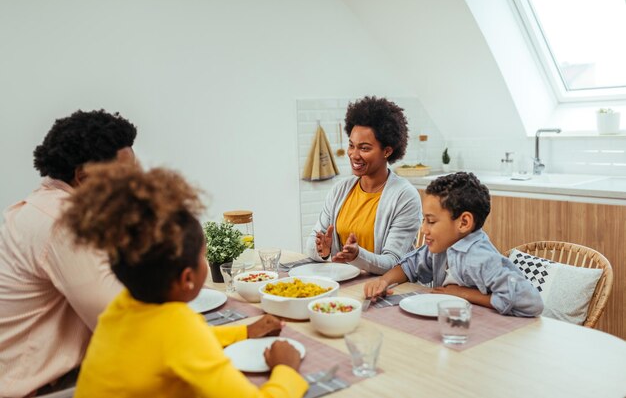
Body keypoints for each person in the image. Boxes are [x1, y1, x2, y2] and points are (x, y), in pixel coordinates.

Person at [59, 163, 308, 398]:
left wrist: (244, 331)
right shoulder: (178, 326)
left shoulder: (121, 307)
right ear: (187, 278)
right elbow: (183, 339)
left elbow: (180, 342)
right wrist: (286, 368)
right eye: (203, 257)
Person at [0, 110, 137, 397]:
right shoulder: (64, 222)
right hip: (38, 389)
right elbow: (120, 323)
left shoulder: (38, 207)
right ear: (84, 176)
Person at [364, 172, 543, 317]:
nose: (423, 229)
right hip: (457, 323)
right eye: (424, 220)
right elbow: (410, 266)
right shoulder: (441, 246)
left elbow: (533, 303)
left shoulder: (480, 258)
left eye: (431, 222)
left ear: (464, 222)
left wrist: (463, 293)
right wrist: (383, 281)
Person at [305, 96, 422, 275]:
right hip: (343, 285)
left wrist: (357, 256)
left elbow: (393, 262)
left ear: (387, 151)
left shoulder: (404, 196)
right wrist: (324, 251)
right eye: (352, 145)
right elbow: (313, 242)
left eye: (365, 148)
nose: (354, 154)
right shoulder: (340, 190)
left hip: (384, 290)